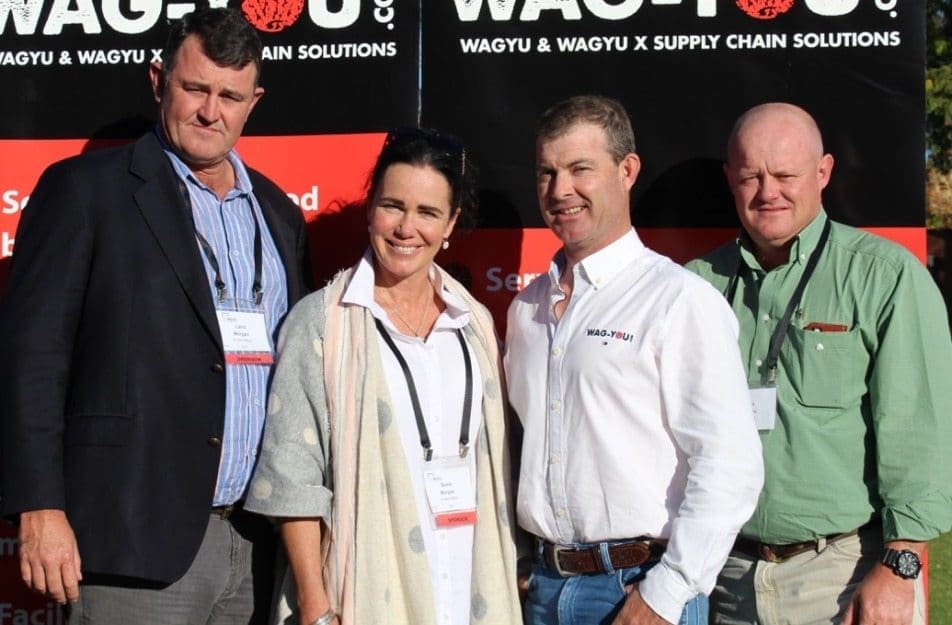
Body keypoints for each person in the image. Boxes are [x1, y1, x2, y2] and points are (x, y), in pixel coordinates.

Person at [0, 7, 311, 624]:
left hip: (257, 542)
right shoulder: (84, 192)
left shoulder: (279, 215)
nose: (210, 111)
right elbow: (31, 357)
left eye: (230, 95)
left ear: (254, 102)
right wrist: (38, 506)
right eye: (195, 88)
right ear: (158, 81)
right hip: (131, 537)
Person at [243, 127, 523, 625]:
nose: (405, 228)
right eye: (393, 205)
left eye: (428, 212)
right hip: (365, 591)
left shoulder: (475, 323)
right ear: (370, 206)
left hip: (469, 580)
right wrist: (315, 603)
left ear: (451, 223)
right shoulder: (322, 321)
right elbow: (293, 476)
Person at [686, 102, 952, 625]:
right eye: (750, 177)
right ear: (729, 179)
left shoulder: (885, 276)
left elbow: (918, 433)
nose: (768, 193)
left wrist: (900, 568)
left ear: (823, 172)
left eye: (786, 175)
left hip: (845, 575)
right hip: (723, 580)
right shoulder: (697, 284)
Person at [504, 94, 764, 625]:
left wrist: (666, 596)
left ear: (627, 170)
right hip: (543, 589)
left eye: (580, 169)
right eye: (547, 172)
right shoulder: (524, 310)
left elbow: (730, 465)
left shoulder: (678, 300)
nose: (560, 191)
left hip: (638, 588)